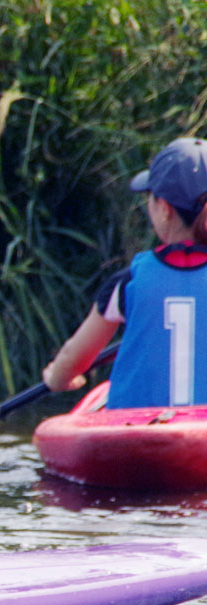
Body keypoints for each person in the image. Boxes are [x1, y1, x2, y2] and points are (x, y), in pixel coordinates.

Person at [43, 137, 207, 408]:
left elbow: (75, 357)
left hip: (136, 429)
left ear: (164, 209)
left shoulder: (128, 283)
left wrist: (56, 378)